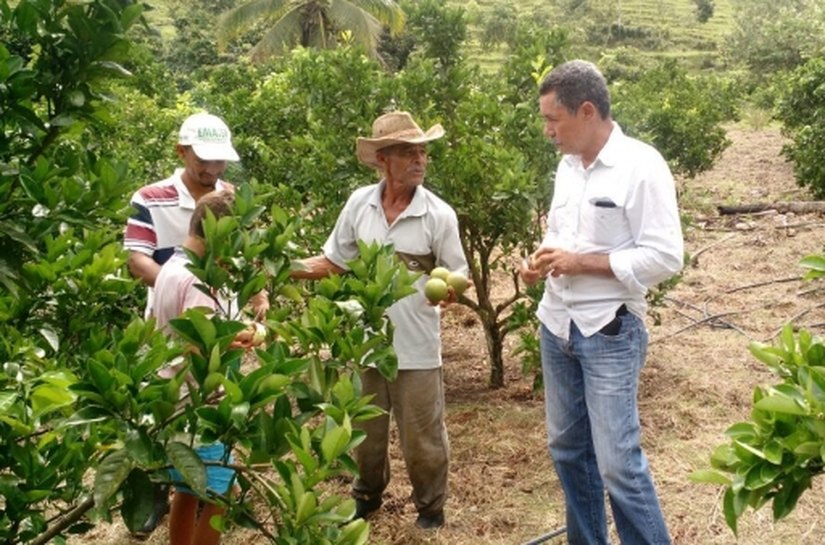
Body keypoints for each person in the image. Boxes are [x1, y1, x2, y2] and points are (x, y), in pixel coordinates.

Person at [520, 60, 683, 544]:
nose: (548, 131)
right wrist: (539, 262)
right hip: (557, 325)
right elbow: (559, 237)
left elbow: (666, 255)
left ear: (587, 111)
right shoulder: (567, 168)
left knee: (618, 465)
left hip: (609, 329)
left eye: (554, 119)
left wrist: (583, 262)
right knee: (568, 450)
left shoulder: (641, 166)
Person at [292, 111, 468, 530]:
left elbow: (457, 273)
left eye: (422, 151)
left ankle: (430, 508)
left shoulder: (438, 215)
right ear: (382, 160)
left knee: (422, 440)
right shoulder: (359, 204)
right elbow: (335, 262)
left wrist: (452, 293)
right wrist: (281, 268)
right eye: (408, 152)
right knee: (365, 437)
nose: (420, 160)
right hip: (367, 343)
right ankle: (366, 495)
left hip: (417, 346)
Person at [123, 112, 265, 536]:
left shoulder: (182, 261)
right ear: (181, 151)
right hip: (200, 389)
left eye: (220, 161)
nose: (213, 169)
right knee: (215, 487)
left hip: (177, 324)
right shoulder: (153, 200)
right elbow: (201, 348)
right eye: (204, 159)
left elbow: (247, 257)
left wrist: (252, 291)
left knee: (187, 481)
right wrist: (235, 331)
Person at [153, 190, 260, 545]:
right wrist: (252, 334)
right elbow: (200, 344)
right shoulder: (202, 281)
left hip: (172, 399)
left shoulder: (169, 268)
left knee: (186, 489)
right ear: (220, 233)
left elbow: (179, 332)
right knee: (216, 495)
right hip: (203, 405)